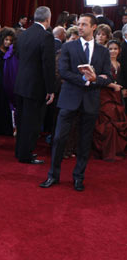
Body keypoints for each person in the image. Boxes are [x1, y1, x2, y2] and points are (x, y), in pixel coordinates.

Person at [40, 13, 112, 191]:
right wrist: (86, 79)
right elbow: (63, 71)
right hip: (69, 99)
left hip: (91, 101)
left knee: (85, 141)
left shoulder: (103, 51)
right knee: (58, 139)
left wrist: (96, 79)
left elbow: (107, 77)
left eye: (84, 24)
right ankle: (53, 175)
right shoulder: (68, 47)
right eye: (79, 24)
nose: (80, 27)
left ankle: (79, 177)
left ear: (94, 27)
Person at [14, 6, 55, 164]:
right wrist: (50, 89)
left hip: (21, 84)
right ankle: (26, 155)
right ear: (48, 19)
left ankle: (20, 152)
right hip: (36, 87)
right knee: (32, 123)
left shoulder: (24, 34)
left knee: (22, 121)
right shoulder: (46, 36)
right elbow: (48, 65)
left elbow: (17, 55)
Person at [92, 40, 126, 161]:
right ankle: (105, 151)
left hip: (117, 97)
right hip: (105, 96)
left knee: (118, 120)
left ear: (119, 51)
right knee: (107, 123)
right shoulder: (103, 63)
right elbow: (99, 79)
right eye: (110, 49)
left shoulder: (120, 64)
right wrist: (112, 86)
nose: (113, 51)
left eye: (115, 49)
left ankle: (117, 150)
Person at [0, 27, 15, 136]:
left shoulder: (11, 51)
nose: (8, 42)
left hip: (7, 79)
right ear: (2, 39)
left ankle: (5, 128)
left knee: (6, 103)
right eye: (6, 40)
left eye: (10, 40)